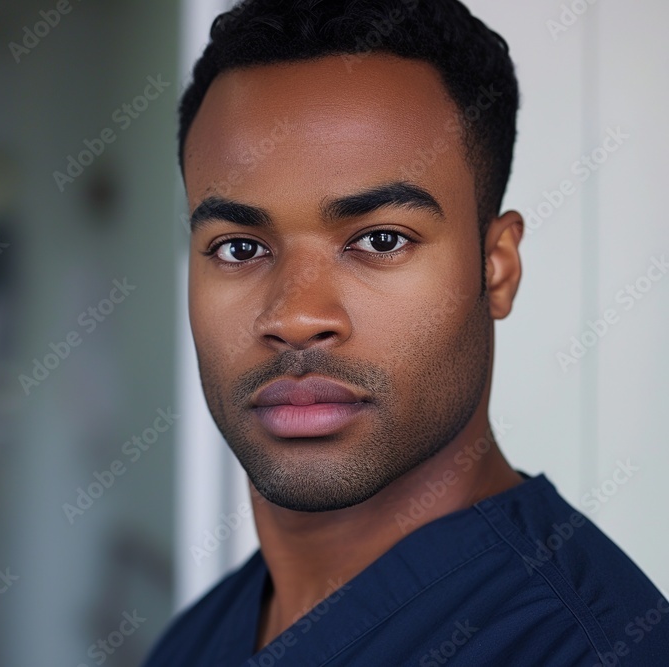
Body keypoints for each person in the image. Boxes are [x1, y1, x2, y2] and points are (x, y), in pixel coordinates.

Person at [142, 1, 669, 665]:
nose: (297, 316)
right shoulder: (189, 644)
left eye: (380, 239)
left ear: (497, 268)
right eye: (240, 249)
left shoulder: (594, 647)